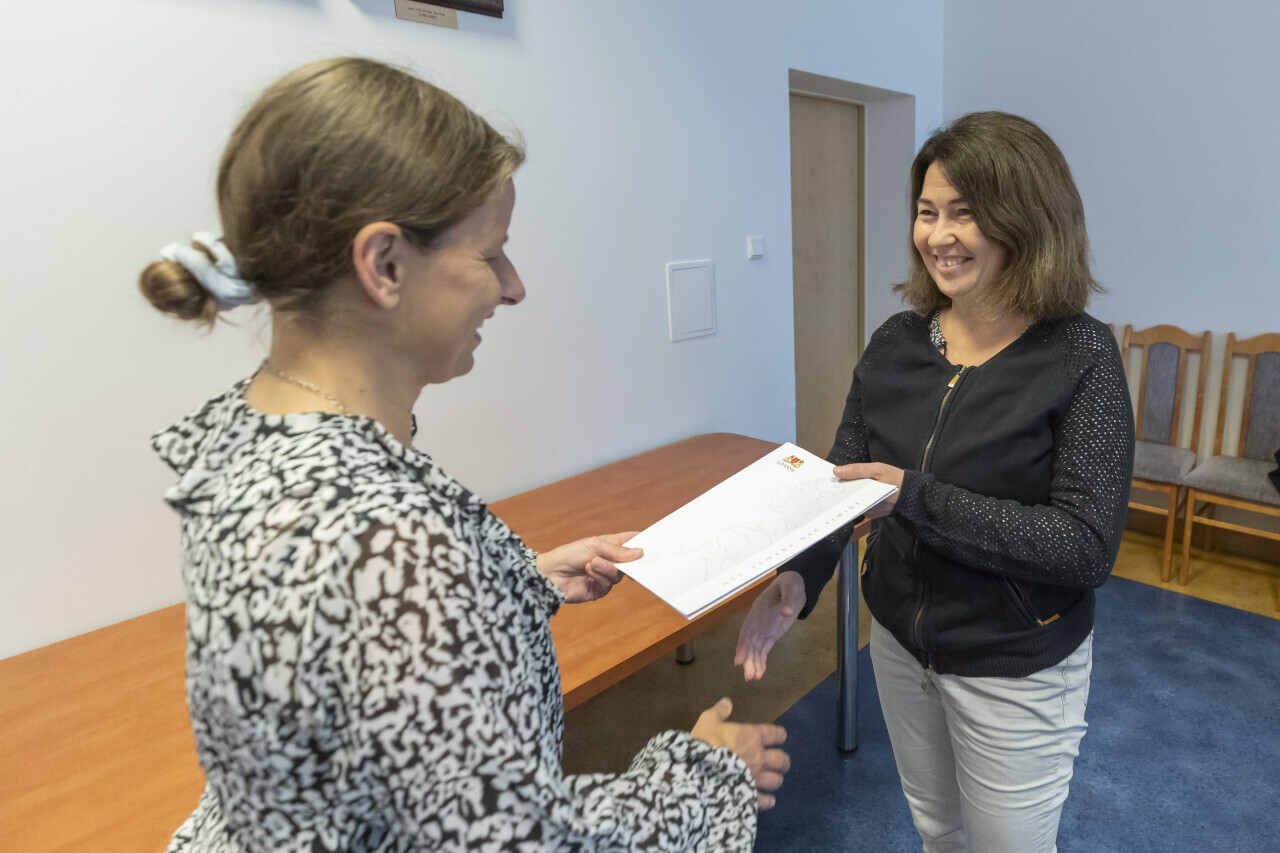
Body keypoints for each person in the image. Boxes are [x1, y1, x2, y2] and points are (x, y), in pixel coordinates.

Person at [140, 57, 788, 852]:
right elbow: (509, 839)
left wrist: (511, 581)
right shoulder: (388, 542)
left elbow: (351, 671)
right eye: (490, 254)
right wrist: (702, 772)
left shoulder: (256, 435)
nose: (513, 287)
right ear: (384, 264)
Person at [735, 111, 1133, 852]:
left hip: (1012, 664)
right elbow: (844, 479)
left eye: (965, 213)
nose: (938, 235)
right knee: (938, 833)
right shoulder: (896, 342)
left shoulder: (1080, 355)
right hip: (898, 644)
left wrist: (912, 495)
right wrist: (799, 576)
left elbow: (1084, 547)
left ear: (1027, 220)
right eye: (927, 211)